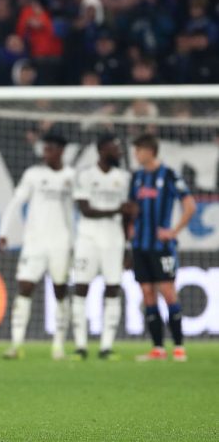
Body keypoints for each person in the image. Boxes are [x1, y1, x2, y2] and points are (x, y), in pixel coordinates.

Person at [0, 134, 75, 360]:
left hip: (61, 243)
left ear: (61, 150)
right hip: (34, 243)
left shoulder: (72, 176)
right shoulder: (33, 174)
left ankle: (58, 347)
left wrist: (75, 242)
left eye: (50, 149)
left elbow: (75, 213)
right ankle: (16, 344)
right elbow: (15, 203)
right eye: (45, 149)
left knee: (60, 291)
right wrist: (4, 232)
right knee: (24, 288)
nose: (46, 153)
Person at [128, 134, 196, 362]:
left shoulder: (168, 175)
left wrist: (174, 231)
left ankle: (179, 347)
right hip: (140, 246)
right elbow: (132, 207)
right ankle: (157, 348)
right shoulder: (136, 177)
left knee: (167, 292)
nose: (136, 154)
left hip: (162, 247)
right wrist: (130, 228)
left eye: (138, 149)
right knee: (147, 293)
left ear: (149, 150)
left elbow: (190, 205)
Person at [71, 135, 133, 360]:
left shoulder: (124, 178)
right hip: (87, 239)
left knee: (113, 289)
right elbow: (85, 209)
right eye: (114, 148)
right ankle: (80, 346)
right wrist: (118, 210)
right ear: (101, 150)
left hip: (114, 241)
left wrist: (128, 246)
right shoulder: (85, 176)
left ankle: (106, 346)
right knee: (80, 288)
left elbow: (129, 216)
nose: (118, 152)